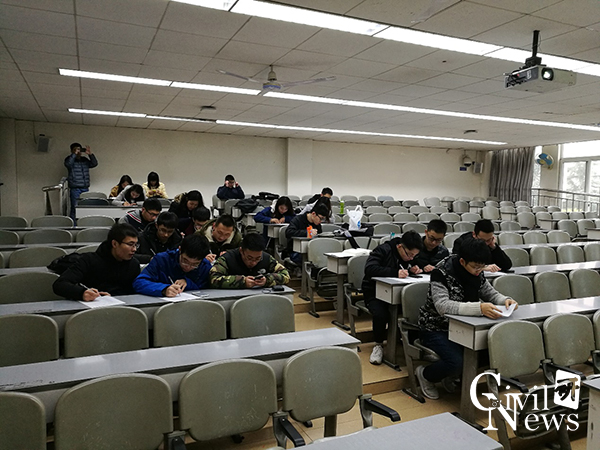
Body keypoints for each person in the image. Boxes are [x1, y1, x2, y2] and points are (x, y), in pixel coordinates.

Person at [416, 239, 519, 400]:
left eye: (481, 267)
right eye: (476, 267)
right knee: (456, 362)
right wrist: (479, 308)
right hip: (436, 327)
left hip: (466, 326)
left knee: (490, 352)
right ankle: (425, 375)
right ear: (463, 261)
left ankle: (451, 376)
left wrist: (505, 300)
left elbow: (489, 293)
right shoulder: (441, 272)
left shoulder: (476, 270)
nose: (479, 271)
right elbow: (443, 306)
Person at [362, 230, 424, 365]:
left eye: (414, 255)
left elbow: (412, 265)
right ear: (400, 247)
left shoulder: (410, 255)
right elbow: (370, 269)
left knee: (417, 310)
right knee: (381, 314)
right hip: (374, 292)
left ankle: (414, 344)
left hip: (398, 293)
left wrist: (413, 269)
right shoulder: (383, 250)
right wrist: (395, 272)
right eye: (409, 255)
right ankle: (378, 344)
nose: (411, 258)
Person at [53, 223, 140, 301]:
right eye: (130, 244)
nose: (134, 249)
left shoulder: (133, 265)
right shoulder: (88, 260)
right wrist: (82, 293)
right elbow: (60, 284)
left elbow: (132, 293)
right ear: (114, 244)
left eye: (136, 245)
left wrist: (114, 296)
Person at [133, 234, 212, 297]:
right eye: (185, 261)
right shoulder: (162, 260)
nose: (188, 267)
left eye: (195, 264)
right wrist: (164, 289)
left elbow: (207, 290)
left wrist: (188, 283)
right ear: (180, 250)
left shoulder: (205, 266)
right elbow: (139, 283)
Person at [210, 233, 290, 288]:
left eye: (257, 258)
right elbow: (213, 279)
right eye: (249, 258)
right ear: (241, 251)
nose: (253, 263)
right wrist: (242, 282)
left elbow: (285, 274)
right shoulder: (227, 259)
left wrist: (267, 280)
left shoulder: (266, 258)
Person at [64, 142, 98, 221]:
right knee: (75, 207)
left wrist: (90, 154)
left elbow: (94, 164)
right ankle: (73, 225)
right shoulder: (69, 159)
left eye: (79, 149)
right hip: (75, 188)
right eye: (76, 149)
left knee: (85, 207)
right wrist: (74, 154)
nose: (79, 151)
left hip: (85, 187)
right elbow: (68, 164)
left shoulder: (84, 160)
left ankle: (84, 223)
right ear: (72, 150)